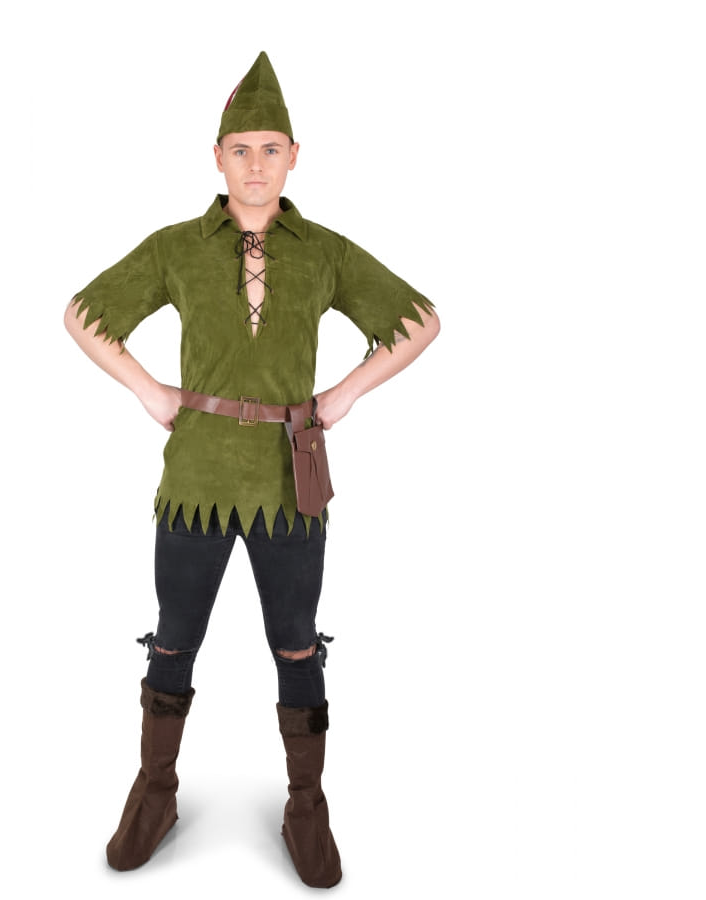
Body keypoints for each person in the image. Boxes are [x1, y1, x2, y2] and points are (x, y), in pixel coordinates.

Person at [64, 51, 439, 889]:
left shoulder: (325, 252)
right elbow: (84, 314)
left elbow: (420, 322)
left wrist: (343, 393)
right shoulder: (177, 247)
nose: (257, 164)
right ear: (218, 157)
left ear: (295, 156)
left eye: (271, 149)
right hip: (196, 476)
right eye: (241, 149)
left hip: (287, 481)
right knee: (173, 638)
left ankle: (306, 805)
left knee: (297, 645)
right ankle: (155, 792)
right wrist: (149, 390)